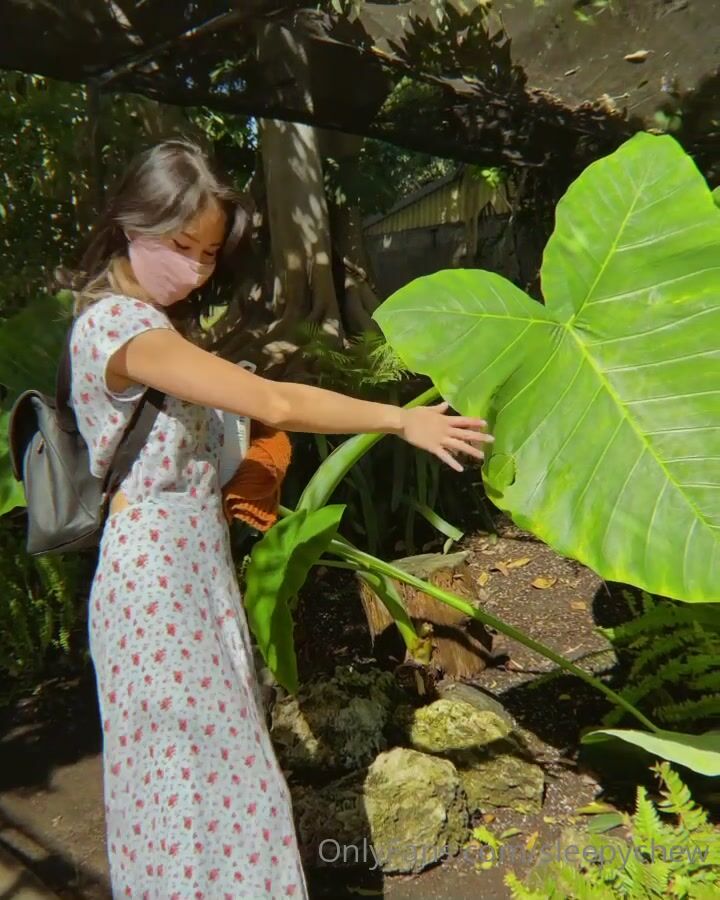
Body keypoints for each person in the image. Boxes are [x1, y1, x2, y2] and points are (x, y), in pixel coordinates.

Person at [64, 140, 493, 899]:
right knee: (184, 785)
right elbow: (274, 401)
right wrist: (400, 418)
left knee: (219, 774)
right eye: (181, 246)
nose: (197, 269)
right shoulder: (117, 326)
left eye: (208, 253)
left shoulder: (153, 326)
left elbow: (221, 433)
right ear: (132, 224)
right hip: (155, 585)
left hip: (192, 572)